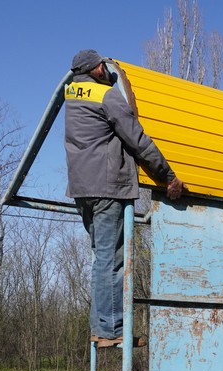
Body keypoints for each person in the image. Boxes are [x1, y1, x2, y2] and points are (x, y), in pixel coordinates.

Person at [64, 49, 186, 348]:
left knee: (101, 259)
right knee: (111, 262)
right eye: (104, 67)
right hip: (108, 187)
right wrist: (167, 176)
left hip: (82, 189)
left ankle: (101, 328)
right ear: (96, 69)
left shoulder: (71, 95)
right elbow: (137, 138)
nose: (108, 72)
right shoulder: (105, 95)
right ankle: (111, 330)